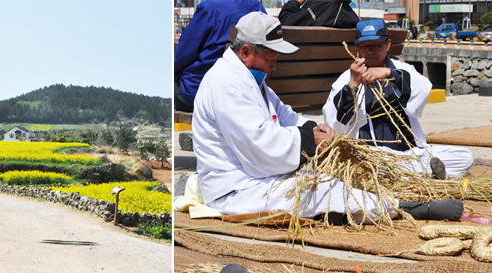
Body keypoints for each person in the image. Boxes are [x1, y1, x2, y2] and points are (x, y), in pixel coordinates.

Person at [192, 12, 463, 222]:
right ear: (246, 52)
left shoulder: (251, 79)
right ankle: (403, 208)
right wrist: (313, 138)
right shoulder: (227, 83)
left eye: (377, 47)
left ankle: (371, 204)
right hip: (237, 190)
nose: (276, 62)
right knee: (322, 187)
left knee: (457, 157)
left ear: (388, 46)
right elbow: (260, 146)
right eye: (272, 56)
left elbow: (284, 116)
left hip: (257, 176)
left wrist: (313, 127)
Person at [322, 18, 474, 180]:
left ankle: (408, 172)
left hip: (409, 153)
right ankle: (417, 173)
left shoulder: (401, 69)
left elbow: (423, 89)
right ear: (358, 48)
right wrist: (352, 86)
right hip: (372, 155)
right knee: (373, 165)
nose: (371, 51)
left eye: (377, 46)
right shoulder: (347, 78)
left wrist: (390, 74)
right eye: (365, 47)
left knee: (464, 156)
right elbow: (334, 124)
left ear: (387, 45)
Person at [174, 0, 266, 112]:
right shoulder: (259, 9)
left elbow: (182, 55)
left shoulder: (209, 9)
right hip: (248, 92)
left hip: (199, 93)